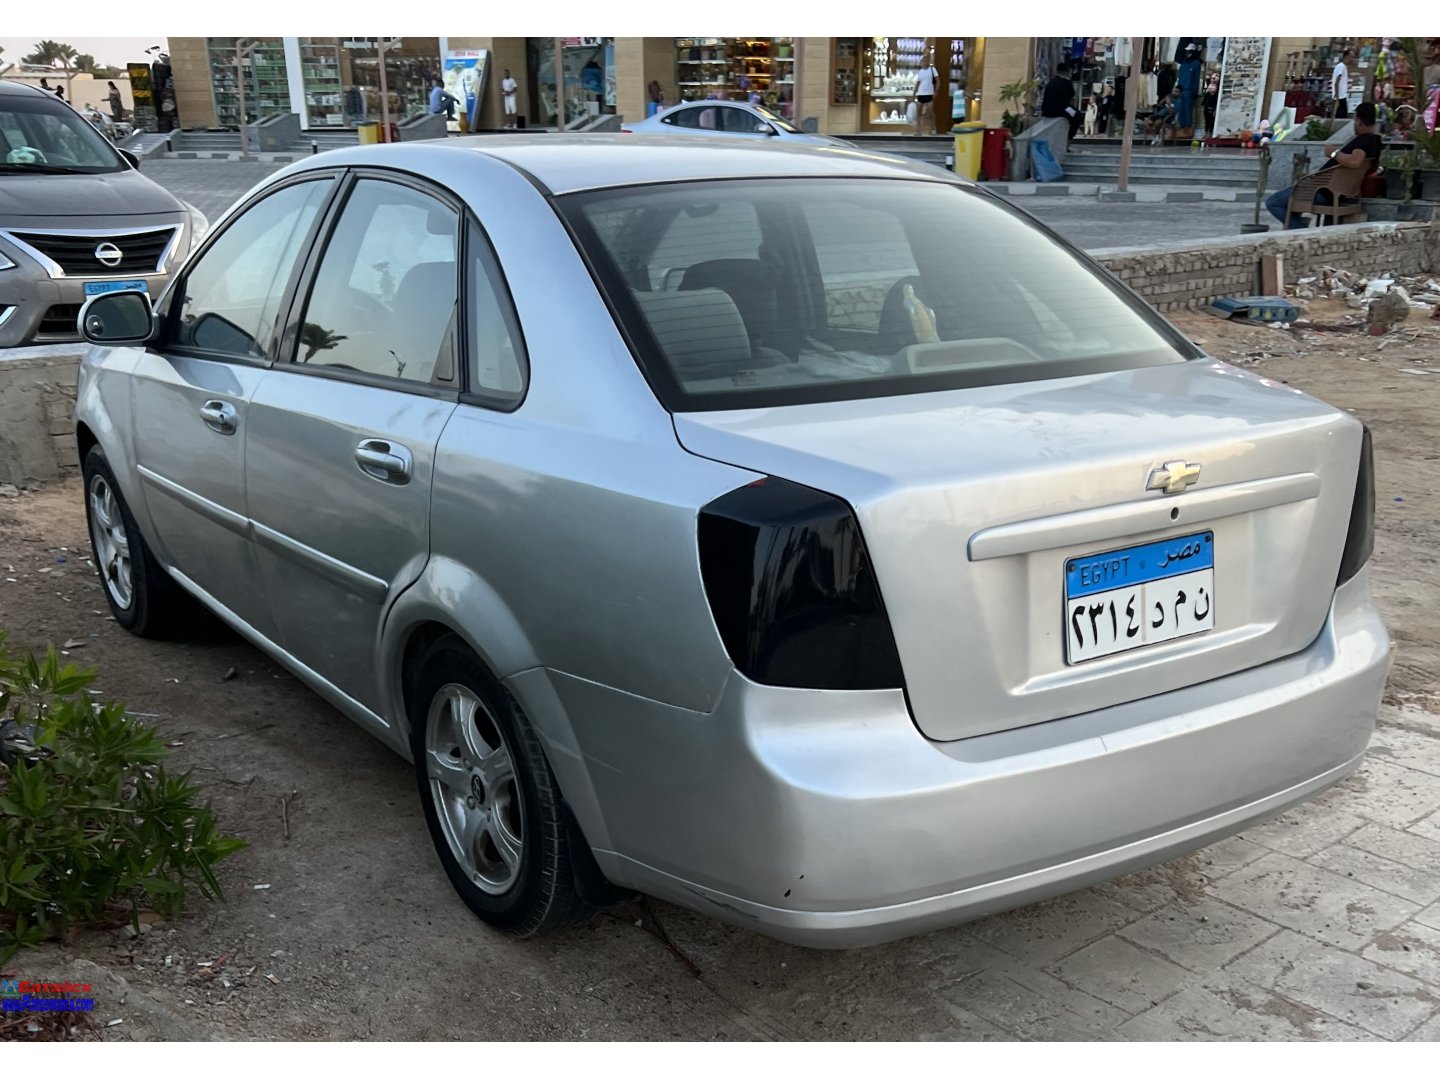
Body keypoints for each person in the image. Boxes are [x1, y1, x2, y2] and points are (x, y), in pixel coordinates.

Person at [1265, 101, 1381, 228]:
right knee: (1287, 203)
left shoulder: (1364, 140)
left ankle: (1302, 231)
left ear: (1359, 121)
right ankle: (1298, 226)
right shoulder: (1376, 141)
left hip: (1323, 191)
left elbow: (1355, 161)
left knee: (1273, 202)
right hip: (1335, 190)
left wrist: (1333, 153)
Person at [1041, 61, 1079, 140]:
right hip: (1062, 109)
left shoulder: (1051, 82)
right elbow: (1072, 94)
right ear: (1066, 72)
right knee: (1077, 115)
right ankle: (1069, 137)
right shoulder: (1067, 82)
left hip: (1046, 110)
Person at [911, 58, 939, 135]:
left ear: (928, 62)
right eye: (922, 62)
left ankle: (933, 128)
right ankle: (918, 130)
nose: (923, 63)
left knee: (930, 112)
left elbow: (938, 81)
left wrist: (936, 91)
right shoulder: (920, 72)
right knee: (918, 112)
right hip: (921, 94)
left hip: (929, 94)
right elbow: (918, 83)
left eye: (925, 61)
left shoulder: (932, 70)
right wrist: (914, 93)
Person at [1332, 50, 1352, 119]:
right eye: (1350, 57)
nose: (1351, 59)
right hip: (1340, 97)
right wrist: (1337, 98)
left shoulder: (1344, 67)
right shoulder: (1341, 67)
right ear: (1346, 56)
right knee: (1340, 117)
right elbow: (1336, 82)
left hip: (1342, 96)